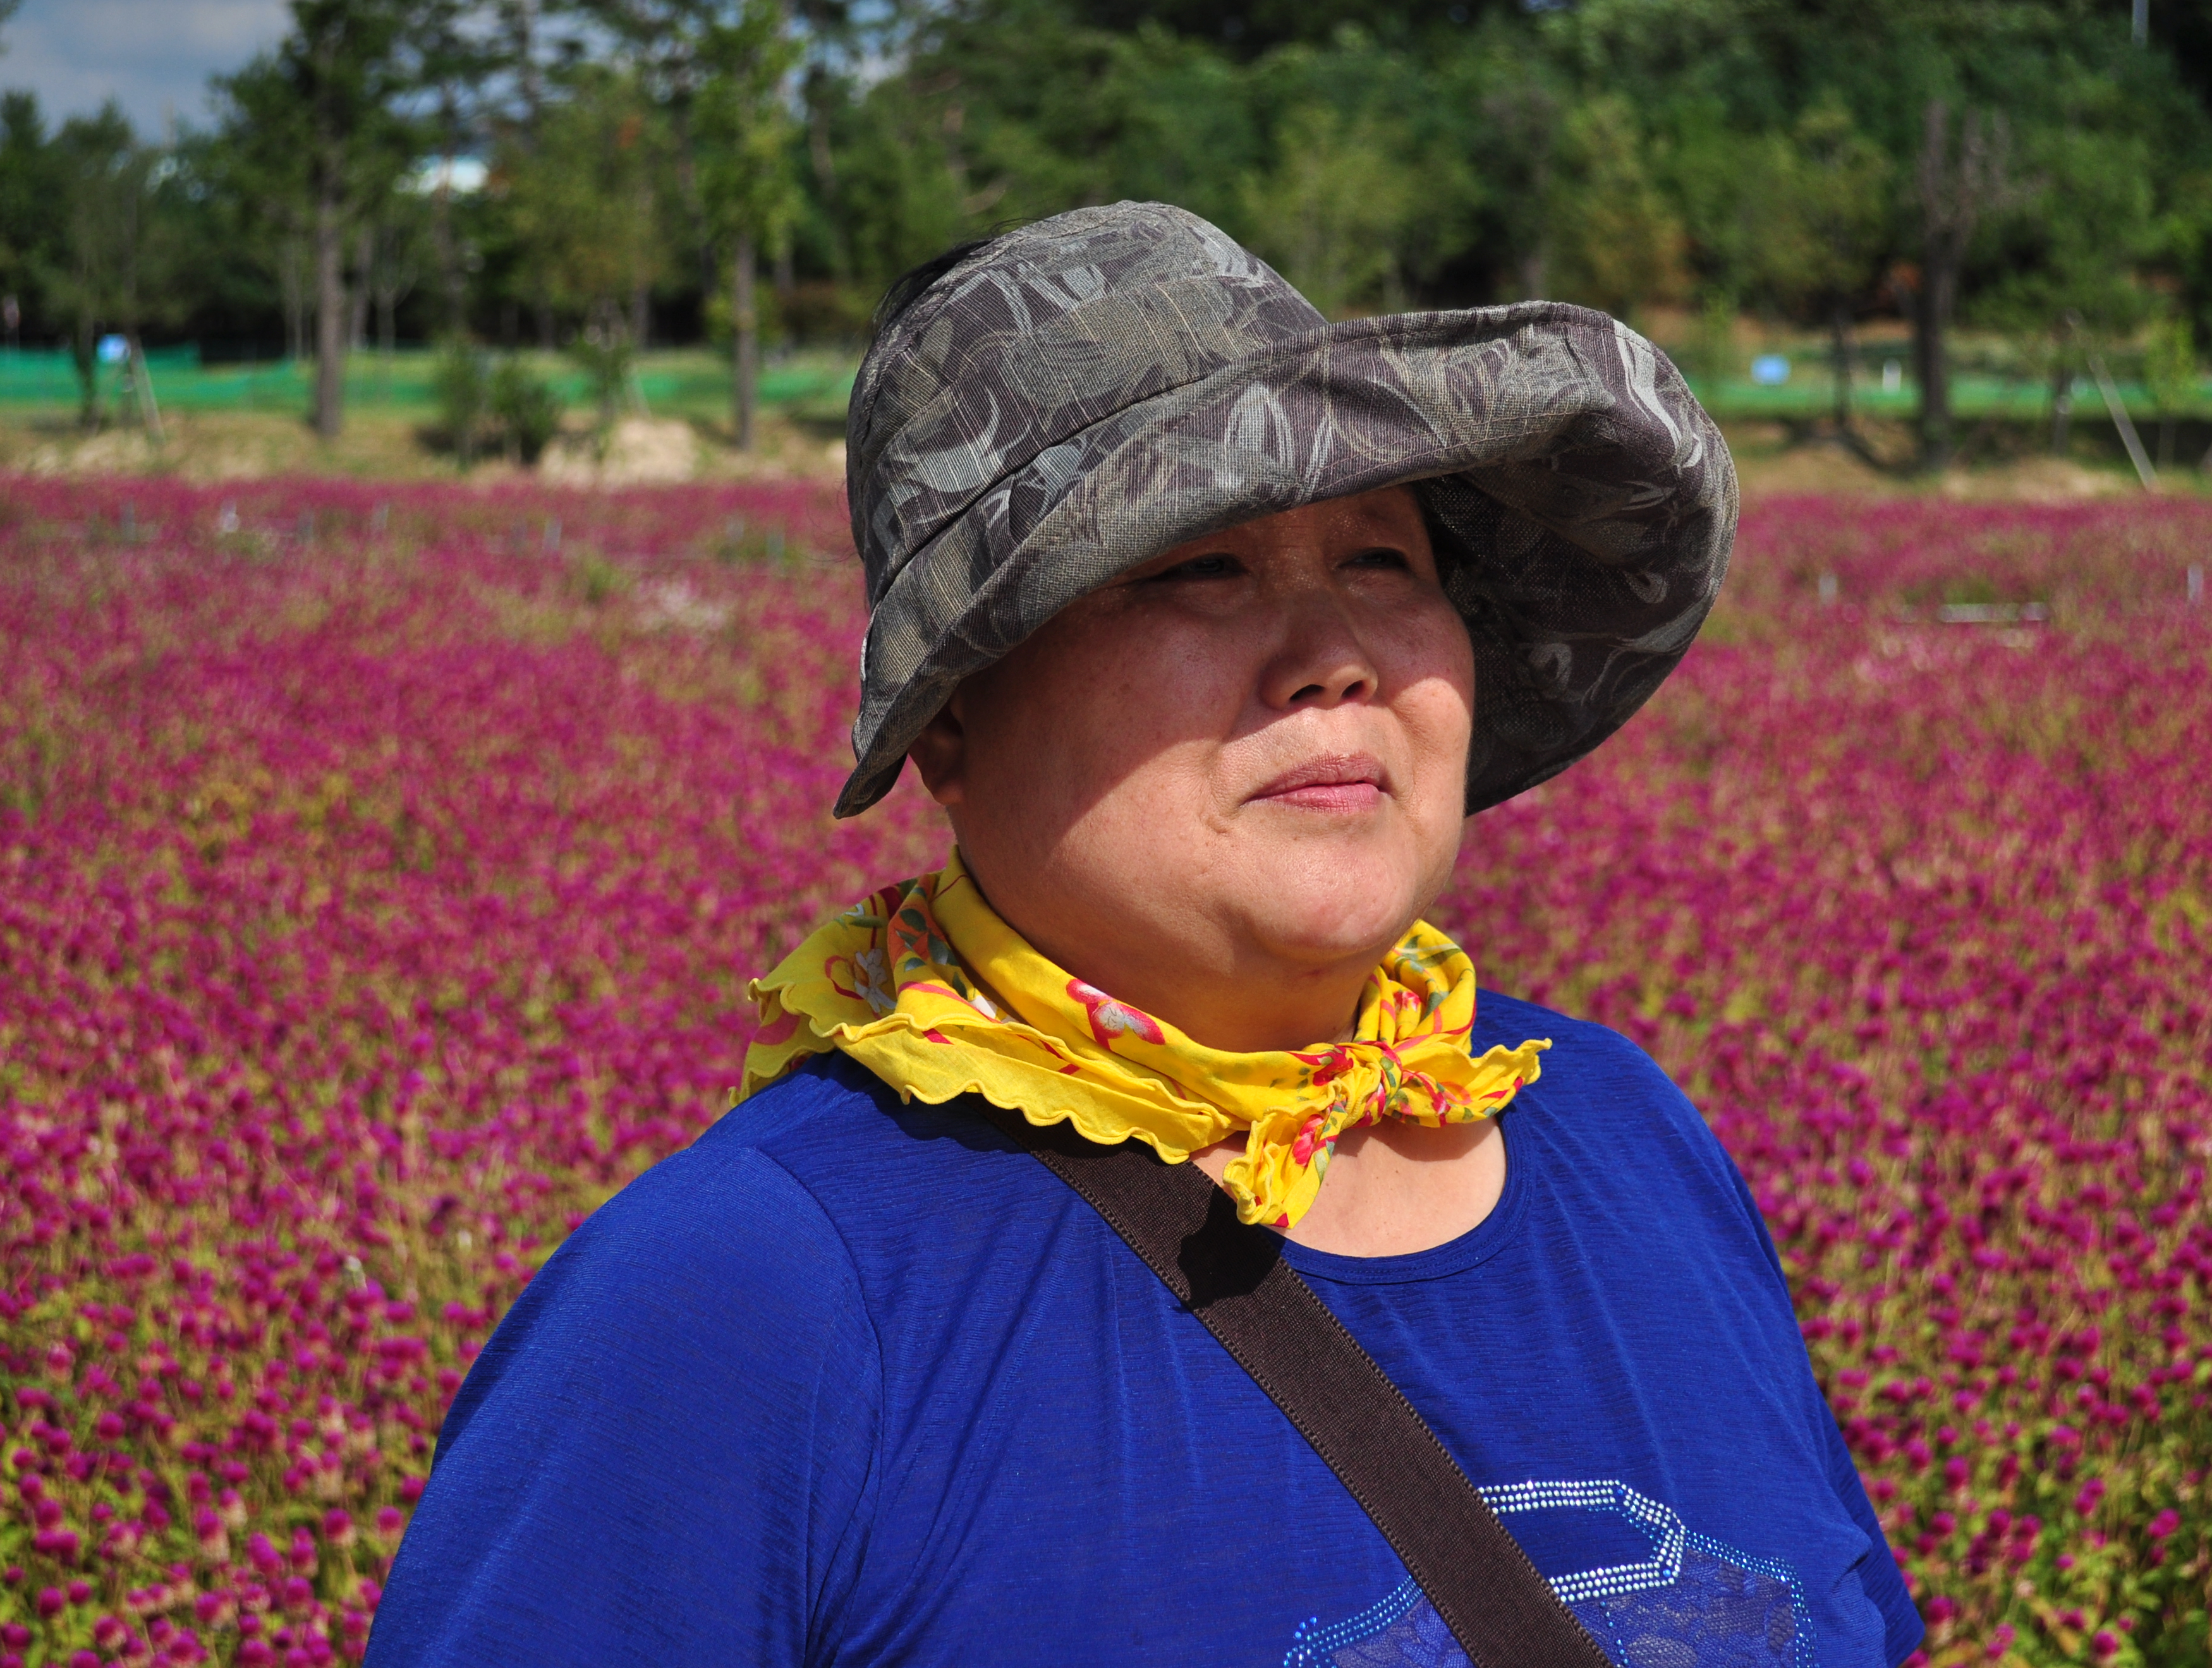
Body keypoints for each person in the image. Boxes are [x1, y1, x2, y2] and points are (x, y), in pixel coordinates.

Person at [367, 203, 1921, 1668]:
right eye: (1197, 569)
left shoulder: (1622, 1133)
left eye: (1381, 557)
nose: (1330, 657)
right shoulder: (746, 1298)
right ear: (954, 717)